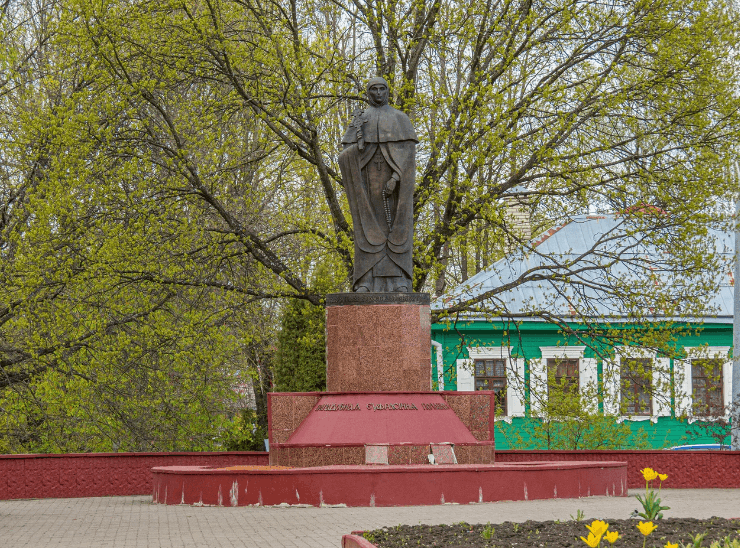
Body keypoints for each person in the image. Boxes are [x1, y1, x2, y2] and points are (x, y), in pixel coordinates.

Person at [338, 77, 417, 292]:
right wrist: (357, 149)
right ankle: (365, 281)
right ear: (368, 93)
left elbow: (409, 157)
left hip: (395, 192)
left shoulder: (400, 119)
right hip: (368, 190)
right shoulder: (360, 120)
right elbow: (345, 155)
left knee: (397, 231)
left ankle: (399, 281)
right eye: (374, 89)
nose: (379, 93)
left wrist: (396, 178)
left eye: (383, 89)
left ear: (388, 92)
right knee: (367, 231)